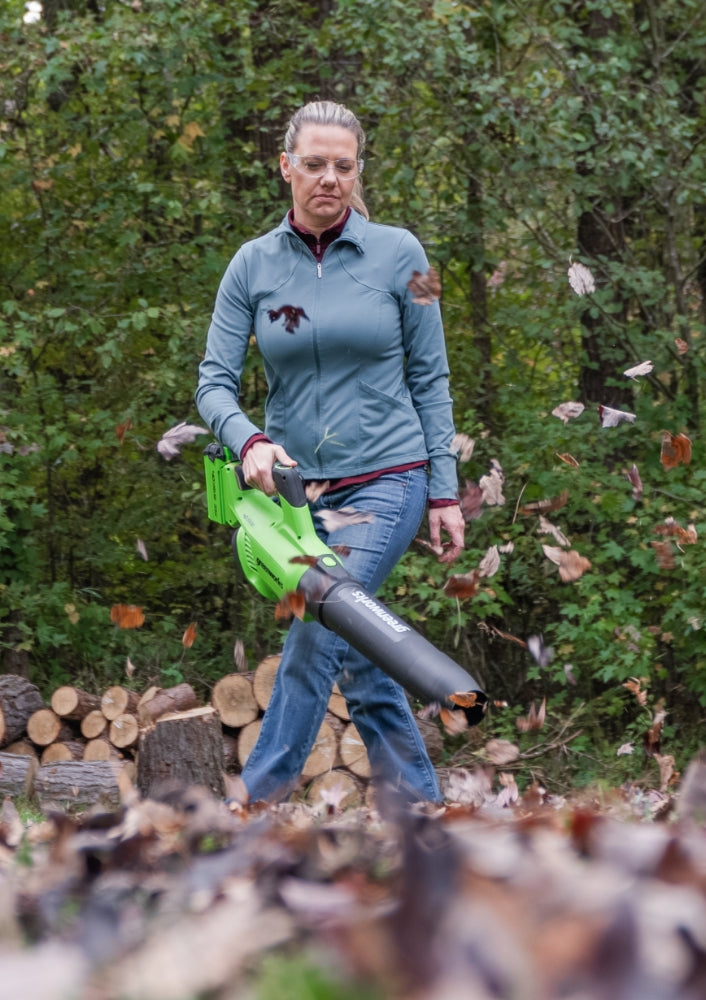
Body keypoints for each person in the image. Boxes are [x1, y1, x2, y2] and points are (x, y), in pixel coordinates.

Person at [196, 100, 465, 806]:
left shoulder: (404, 255)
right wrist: (247, 439)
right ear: (285, 167)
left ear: (358, 171)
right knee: (362, 647)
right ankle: (421, 810)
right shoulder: (250, 266)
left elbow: (432, 375)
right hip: (295, 500)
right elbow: (213, 382)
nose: (328, 179)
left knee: (321, 624)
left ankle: (252, 806)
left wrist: (444, 489)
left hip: (389, 477)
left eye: (342, 166)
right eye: (313, 164)